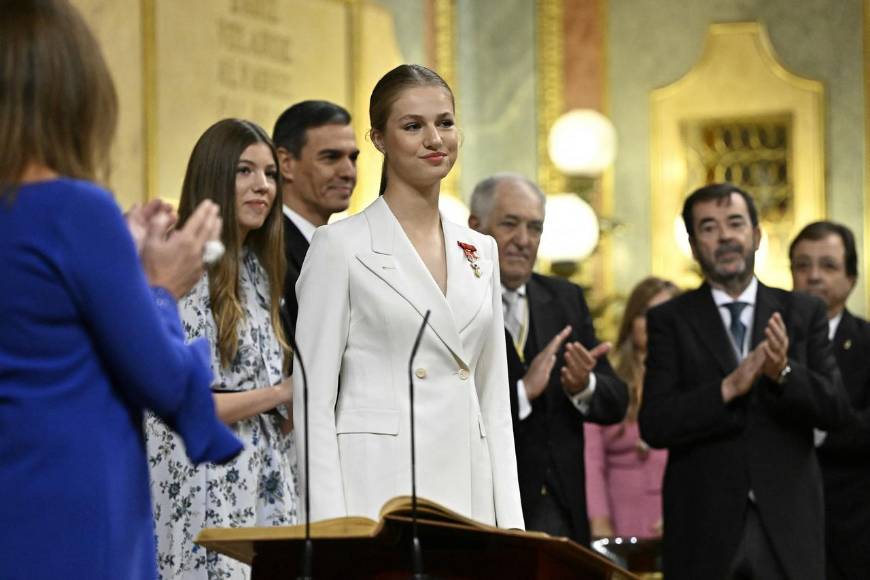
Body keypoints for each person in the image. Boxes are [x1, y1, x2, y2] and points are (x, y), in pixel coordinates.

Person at [0, 2, 241, 579]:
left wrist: (119, 260)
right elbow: (165, 381)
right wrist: (163, 287)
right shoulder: (74, 210)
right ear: (73, 89)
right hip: (72, 503)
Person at [293, 64, 524, 529]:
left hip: (469, 492)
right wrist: (330, 531)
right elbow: (312, 400)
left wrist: (512, 528)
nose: (435, 139)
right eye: (413, 126)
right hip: (378, 492)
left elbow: (495, 406)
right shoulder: (340, 246)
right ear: (379, 139)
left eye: (445, 122)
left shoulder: (480, 250)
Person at [638, 183, 849, 580]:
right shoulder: (670, 320)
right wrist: (727, 389)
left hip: (788, 524)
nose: (725, 237)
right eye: (709, 227)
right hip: (702, 525)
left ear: (756, 235)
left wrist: (783, 372)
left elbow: (835, 409)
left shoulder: (802, 311)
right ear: (693, 245)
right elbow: (655, 423)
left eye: (735, 223)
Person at [146, 119, 298, 580]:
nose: (262, 186)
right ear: (214, 176)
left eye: (270, 174)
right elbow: (186, 402)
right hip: (203, 479)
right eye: (244, 171)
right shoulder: (187, 261)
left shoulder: (258, 266)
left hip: (260, 478)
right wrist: (281, 394)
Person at [468, 173, 628, 544]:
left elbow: (616, 401)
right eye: (510, 224)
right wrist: (522, 392)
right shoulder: (455, 301)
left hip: (560, 511)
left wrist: (583, 385)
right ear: (475, 227)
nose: (523, 240)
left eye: (534, 228)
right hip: (484, 508)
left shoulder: (565, 299)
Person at [790, 220, 870, 580]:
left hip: (854, 527)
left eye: (828, 266)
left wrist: (817, 431)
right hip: (780, 524)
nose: (814, 276)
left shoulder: (866, 342)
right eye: (803, 265)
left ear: (851, 279)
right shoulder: (770, 341)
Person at [584, 276, 678, 539]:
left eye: (666, 312)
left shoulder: (695, 380)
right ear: (631, 321)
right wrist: (599, 522)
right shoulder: (608, 381)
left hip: (680, 514)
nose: (656, 322)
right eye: (646, 314)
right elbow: (592, 460)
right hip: (618, 520)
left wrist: (684, 509)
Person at [271, 100, 359, 338]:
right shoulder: (267, 252)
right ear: (286, 163)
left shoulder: (348, 252)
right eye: (331, 157)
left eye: (353, 158)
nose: (348, 172)